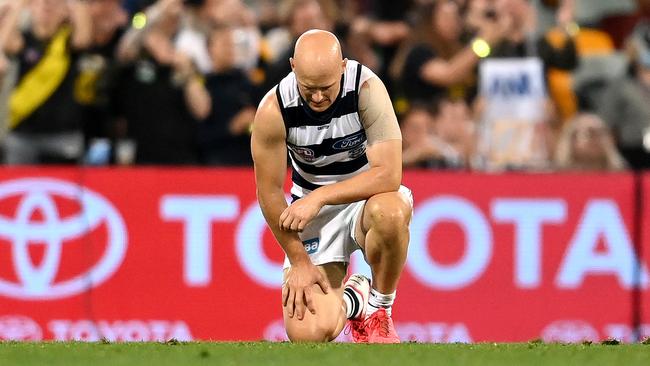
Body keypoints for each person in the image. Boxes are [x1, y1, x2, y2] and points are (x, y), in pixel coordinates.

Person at [251, 29, 413, 343]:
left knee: (390, 213)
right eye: (308, 88)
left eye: (326, 88)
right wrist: (298, 260)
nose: (318, 97)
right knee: (308, 334)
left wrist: (322, 196)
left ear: (343, 66)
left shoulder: (366, 88)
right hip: (314, 212)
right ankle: (355, 301)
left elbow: (389, 174)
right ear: (292, 67)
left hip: (367, 197)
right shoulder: (273, 110)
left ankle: (379, 308)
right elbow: (269, 193)